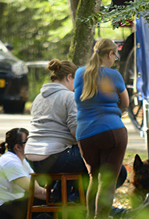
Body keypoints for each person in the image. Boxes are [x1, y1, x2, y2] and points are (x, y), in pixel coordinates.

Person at [25, 59, 127, 201]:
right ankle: (85, 207)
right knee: (112, 168)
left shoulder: (38, 98)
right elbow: (78, 133)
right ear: (69, 77)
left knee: (85, 160)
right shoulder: (69, 97)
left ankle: (71, 200)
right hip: (54, 157)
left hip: (33, 160)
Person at [75, 38, 130, 219]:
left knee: (94, 177)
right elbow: (126, 102)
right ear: (109, 54)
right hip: (111, 131)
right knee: (107, 181)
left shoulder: (80, 73)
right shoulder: (114, 76)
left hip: (85, 134)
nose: (115, 58)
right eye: (116, 54)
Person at [0, 128, 46, 219]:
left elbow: (36, 187)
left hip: (9, 206)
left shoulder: (22, 161)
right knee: (41, 201)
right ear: (18, 147)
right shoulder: (10, 162)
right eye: (28, 141)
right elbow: (35, 191)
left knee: (45, 203)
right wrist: (58, 196)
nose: (32, 144)